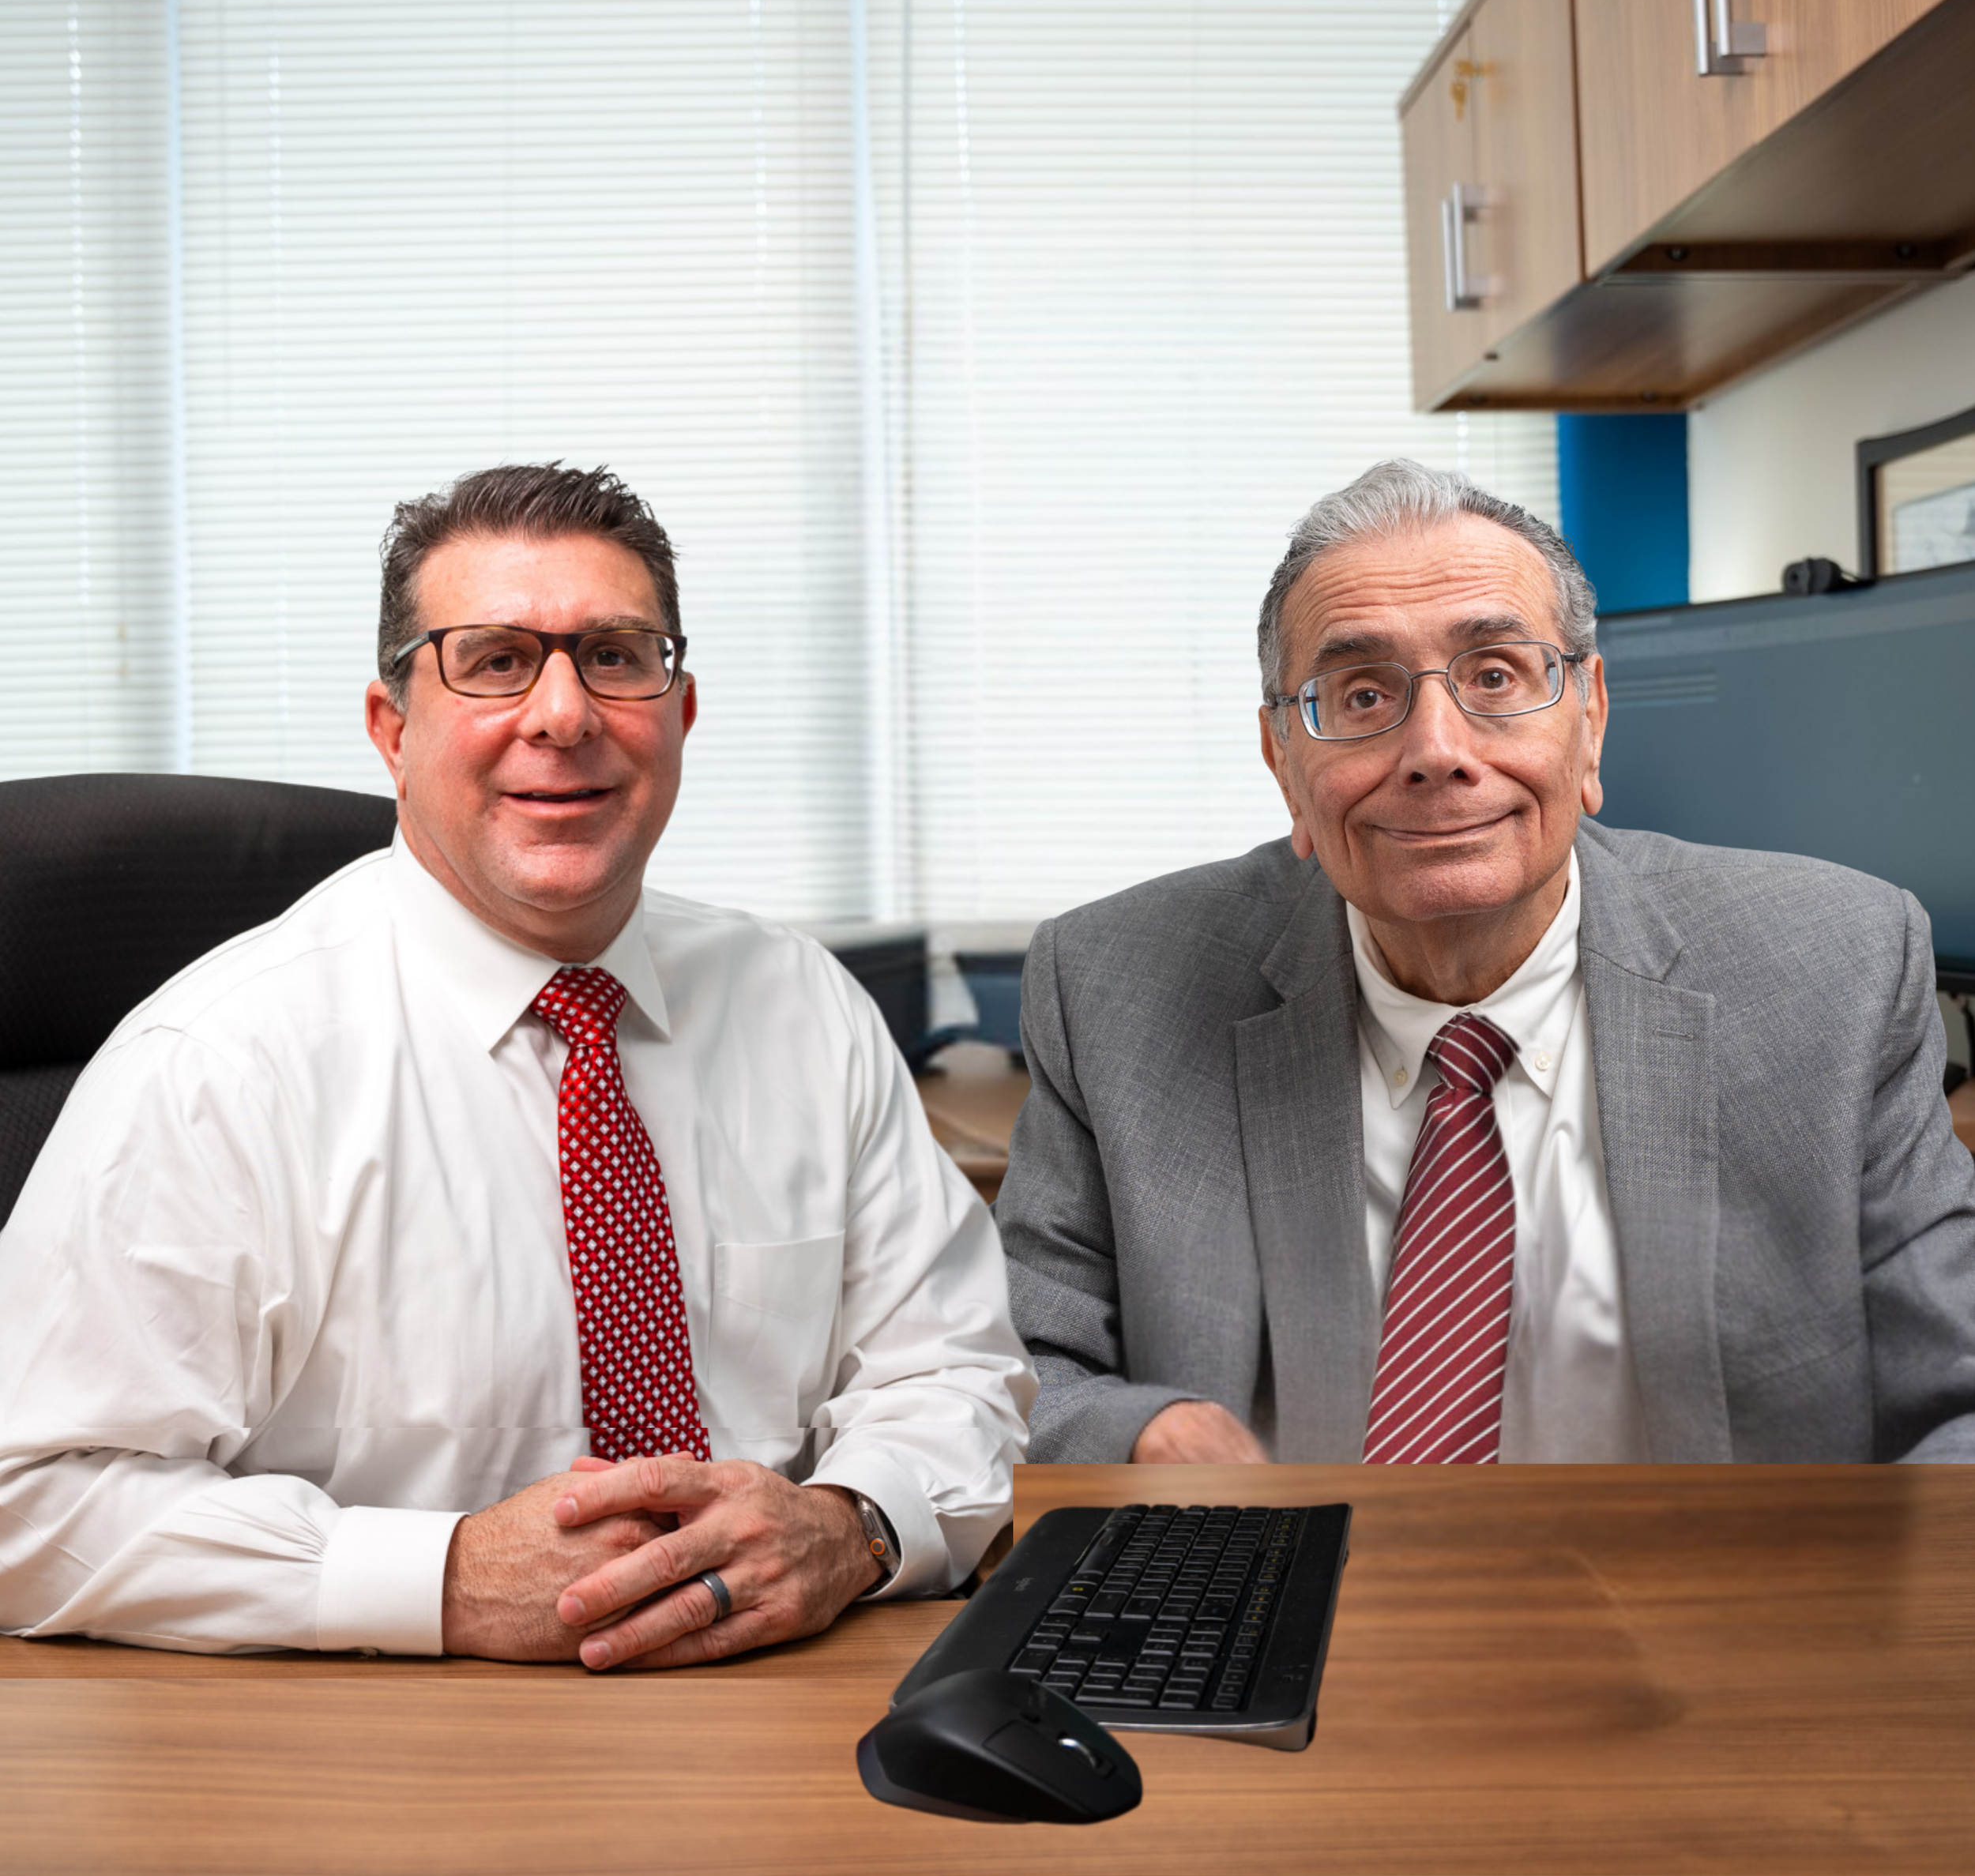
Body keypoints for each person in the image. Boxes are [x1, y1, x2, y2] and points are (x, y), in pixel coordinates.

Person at [0, 461, 1033, 1665]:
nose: (563, 714)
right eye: (492, 660)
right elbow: (30, 1496)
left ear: (679, 713)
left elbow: (954, 1372)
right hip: (369, 1753)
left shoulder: (802, 1006)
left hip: (780, 1712)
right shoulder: (221, 1064)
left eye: (615, 655)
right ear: (394, 730)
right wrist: (436, 1580)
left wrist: (850, 1525)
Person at [995, 457, 1975, 1467]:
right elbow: (1010, 1370)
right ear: (1283, 762)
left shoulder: (1836, 967)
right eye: (1362, 692)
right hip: (1296, 1601)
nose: (1436, 748)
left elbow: (1959, 1393)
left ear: (1588, 718)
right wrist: (1136, 1432)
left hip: (1722, 1605)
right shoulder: (1109, 985)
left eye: (1495, 676)